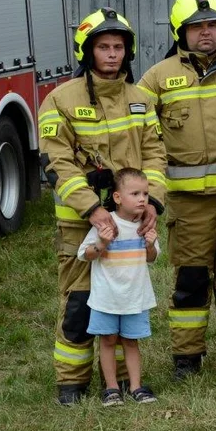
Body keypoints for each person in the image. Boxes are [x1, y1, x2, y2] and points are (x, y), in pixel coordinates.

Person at [38, 7, 167, 406]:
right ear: (87, 52)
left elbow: (155, 154)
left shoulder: (141, 100)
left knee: (127, 300)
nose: (112, 54)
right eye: (103, 47)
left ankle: (127, 382)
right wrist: (92, 210)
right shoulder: (59, 100)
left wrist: (152, 206)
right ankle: (72, 383)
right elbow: (56, 162)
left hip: (130, 226)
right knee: (79, 303)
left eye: (118, 47)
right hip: (81, 225)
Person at [138, 0, 216, 380]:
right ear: (181, 32)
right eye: (196, 27)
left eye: (212, 25)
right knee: (191, 279)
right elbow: (141, 136)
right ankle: (187, 358)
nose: (205, 33)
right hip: (187, 203)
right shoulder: (156, 79)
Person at [77, 168, 161, 405]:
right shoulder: (105, 224)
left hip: (135, 297)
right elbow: (85, 255)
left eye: (145, 193)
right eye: (135, 193)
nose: (142, 199)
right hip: (106, 298)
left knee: (131, 342)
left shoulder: (145, 225)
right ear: (117, 197)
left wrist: (151, 245)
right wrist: (101, 243)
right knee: (107, 341)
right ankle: (112, 388)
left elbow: (152, 258)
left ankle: (136, 387)